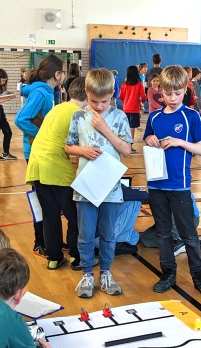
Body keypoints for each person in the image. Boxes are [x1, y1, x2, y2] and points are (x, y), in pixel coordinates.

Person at [143, 65, 201, 298]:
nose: (172, 98)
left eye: (177, 93)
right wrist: (150, 139)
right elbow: (147, 140)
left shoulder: (191, 116)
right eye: (168, 93)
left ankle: (199, 277)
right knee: (163, 234)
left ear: (185, 90)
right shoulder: (153, 117)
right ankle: (168, 273)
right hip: (156, 185)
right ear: (160, 92)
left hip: (179, 186)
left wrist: (179, 142)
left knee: (188, 235)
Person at [65, 68, 132, 298]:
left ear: (113, 93)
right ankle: (86, 274)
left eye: (104, 101)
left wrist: (105, 130)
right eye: (94, 101)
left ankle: (105, 272)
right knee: (85, 233)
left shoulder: (120, 117)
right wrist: (82, 150)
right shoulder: (78, 116)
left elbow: (127, 149)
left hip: (111, 188)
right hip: (86, 187)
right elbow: (68, 146)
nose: (100, 106)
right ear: (86, 92)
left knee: (108, 233)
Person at [25, 76, 86, 271]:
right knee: (76, 215)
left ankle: (54, 257)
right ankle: (77, 256)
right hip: (56, 167)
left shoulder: (58, 108)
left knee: (50, 215)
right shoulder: (79, 113)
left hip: (37, 165)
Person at [15, 55, 66, 256]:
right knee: (41, 199)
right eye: (63, 71)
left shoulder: (47, 91)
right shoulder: (41, 93)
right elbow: (21, 120)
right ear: (57, 74)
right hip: (35, 152)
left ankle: (48, 240)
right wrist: (43, 136)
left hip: (42, 151)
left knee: (47, 199)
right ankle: (40, 242)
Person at [119, 65, 146, 147]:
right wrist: (142, 102)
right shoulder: (139, 84)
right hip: (134, 109)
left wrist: (126, 101)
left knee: (126, 127)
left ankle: (125, 144)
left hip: (126, 108)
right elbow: (143, 96)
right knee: (132, 127)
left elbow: (120, 96)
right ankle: (130, 145)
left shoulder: (124, 84)